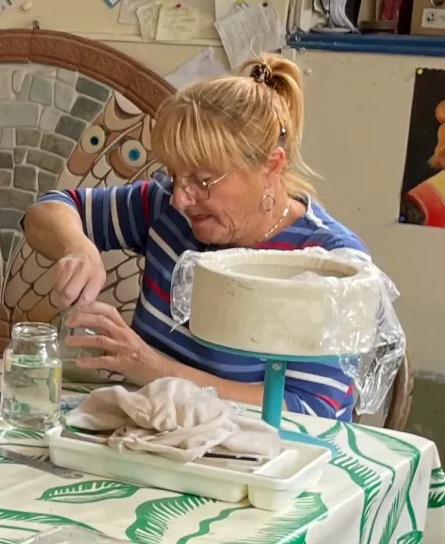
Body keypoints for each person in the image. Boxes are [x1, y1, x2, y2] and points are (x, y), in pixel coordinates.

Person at [23, 54, 369, 419]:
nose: (180, 198)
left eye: (203, 180)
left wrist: (153, 368)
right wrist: (78, 248)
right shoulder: (168, 210)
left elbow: (310, 411)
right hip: (156, 441)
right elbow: (47, 211)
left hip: (265, 461)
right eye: (173, 176)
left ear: (271, 165)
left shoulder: (329, 261)